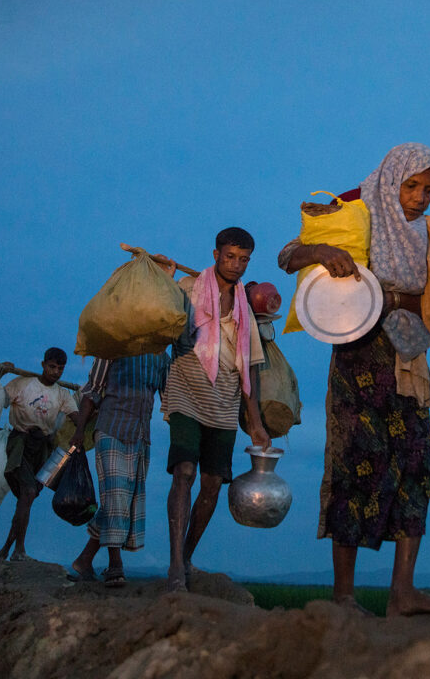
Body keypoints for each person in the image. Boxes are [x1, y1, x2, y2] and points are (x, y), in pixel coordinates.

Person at [279, 143, 430, 617]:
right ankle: (344, 597)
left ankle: (403, 594)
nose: (419, 198)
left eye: (429, 190)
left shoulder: (426, 236)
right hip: (358, 363)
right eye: (411, 185)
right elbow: (287, 255)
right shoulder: (356, 211)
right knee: (357, 464)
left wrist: (392, 301)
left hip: (408, 363)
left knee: (418, 465)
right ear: (391, 179)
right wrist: (322, 250)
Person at [163, 227, 270, 591]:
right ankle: (175, 565)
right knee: (185, 471)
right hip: (187, 386)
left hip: (225, 397)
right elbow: (161, 322)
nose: (236, 265)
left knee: (211, 483)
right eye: (230, 257)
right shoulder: (188, 289)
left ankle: (187, 555)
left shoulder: (244, 305)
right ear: (215, 255)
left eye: (243, 259)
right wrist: (163, 283)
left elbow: (250, 367)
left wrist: (254, 423)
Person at [67, 340, 173, 586]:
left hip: (140, 436)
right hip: (110, 428)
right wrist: (80, 431)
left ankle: (84, 560)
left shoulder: (161, 358)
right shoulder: (112, 348)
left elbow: (168, 400)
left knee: (122, 501)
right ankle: (115, 565)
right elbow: (92, 391)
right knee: (115, 498)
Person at [0, 348, 79, 564]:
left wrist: (90, 413)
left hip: (44, 448)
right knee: (28, 492)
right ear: (42, 364)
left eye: (60, 369)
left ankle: (5, 552)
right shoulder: (22, 384)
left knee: (28, 498)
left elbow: (77, 417)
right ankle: (18, 549)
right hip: (20, 443)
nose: (56, 372)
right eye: (52, 367)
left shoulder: (62, 394)